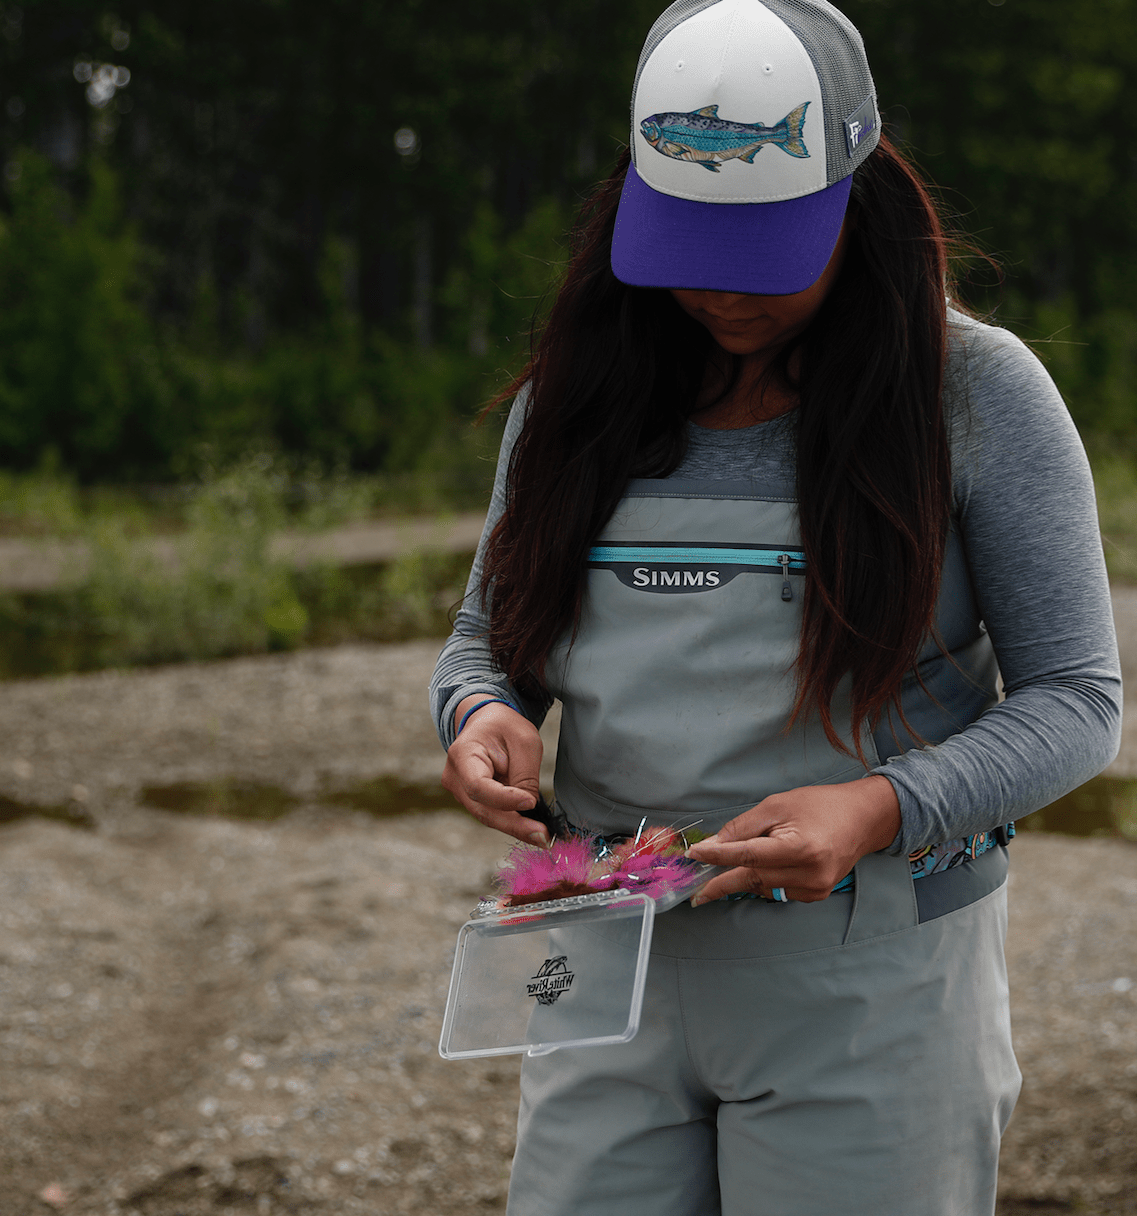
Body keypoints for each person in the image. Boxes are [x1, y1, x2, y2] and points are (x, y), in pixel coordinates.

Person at [430, 1, 1123, 1212]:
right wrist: (477, 709)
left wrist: (876, 806)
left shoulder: (976, 394)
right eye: (684, 246)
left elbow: (1076, 702)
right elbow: (488, 640)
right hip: (599, 957)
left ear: (854, 195)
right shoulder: (578, 400)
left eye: (758, 253)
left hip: (870, 985)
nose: (716, 291)